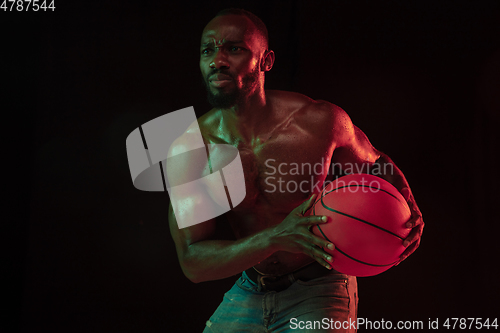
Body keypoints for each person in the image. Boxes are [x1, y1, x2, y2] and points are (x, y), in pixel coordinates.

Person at [167, 8, 424, 333]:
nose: (217, 60)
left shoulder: (319, 122)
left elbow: (376, 163)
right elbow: (193, 261)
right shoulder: (190, 150)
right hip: (251, 288)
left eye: (234, 48)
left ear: (266, 61)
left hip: (320, 287)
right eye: (208, 50)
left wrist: (410, 206)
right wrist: (275, 238)